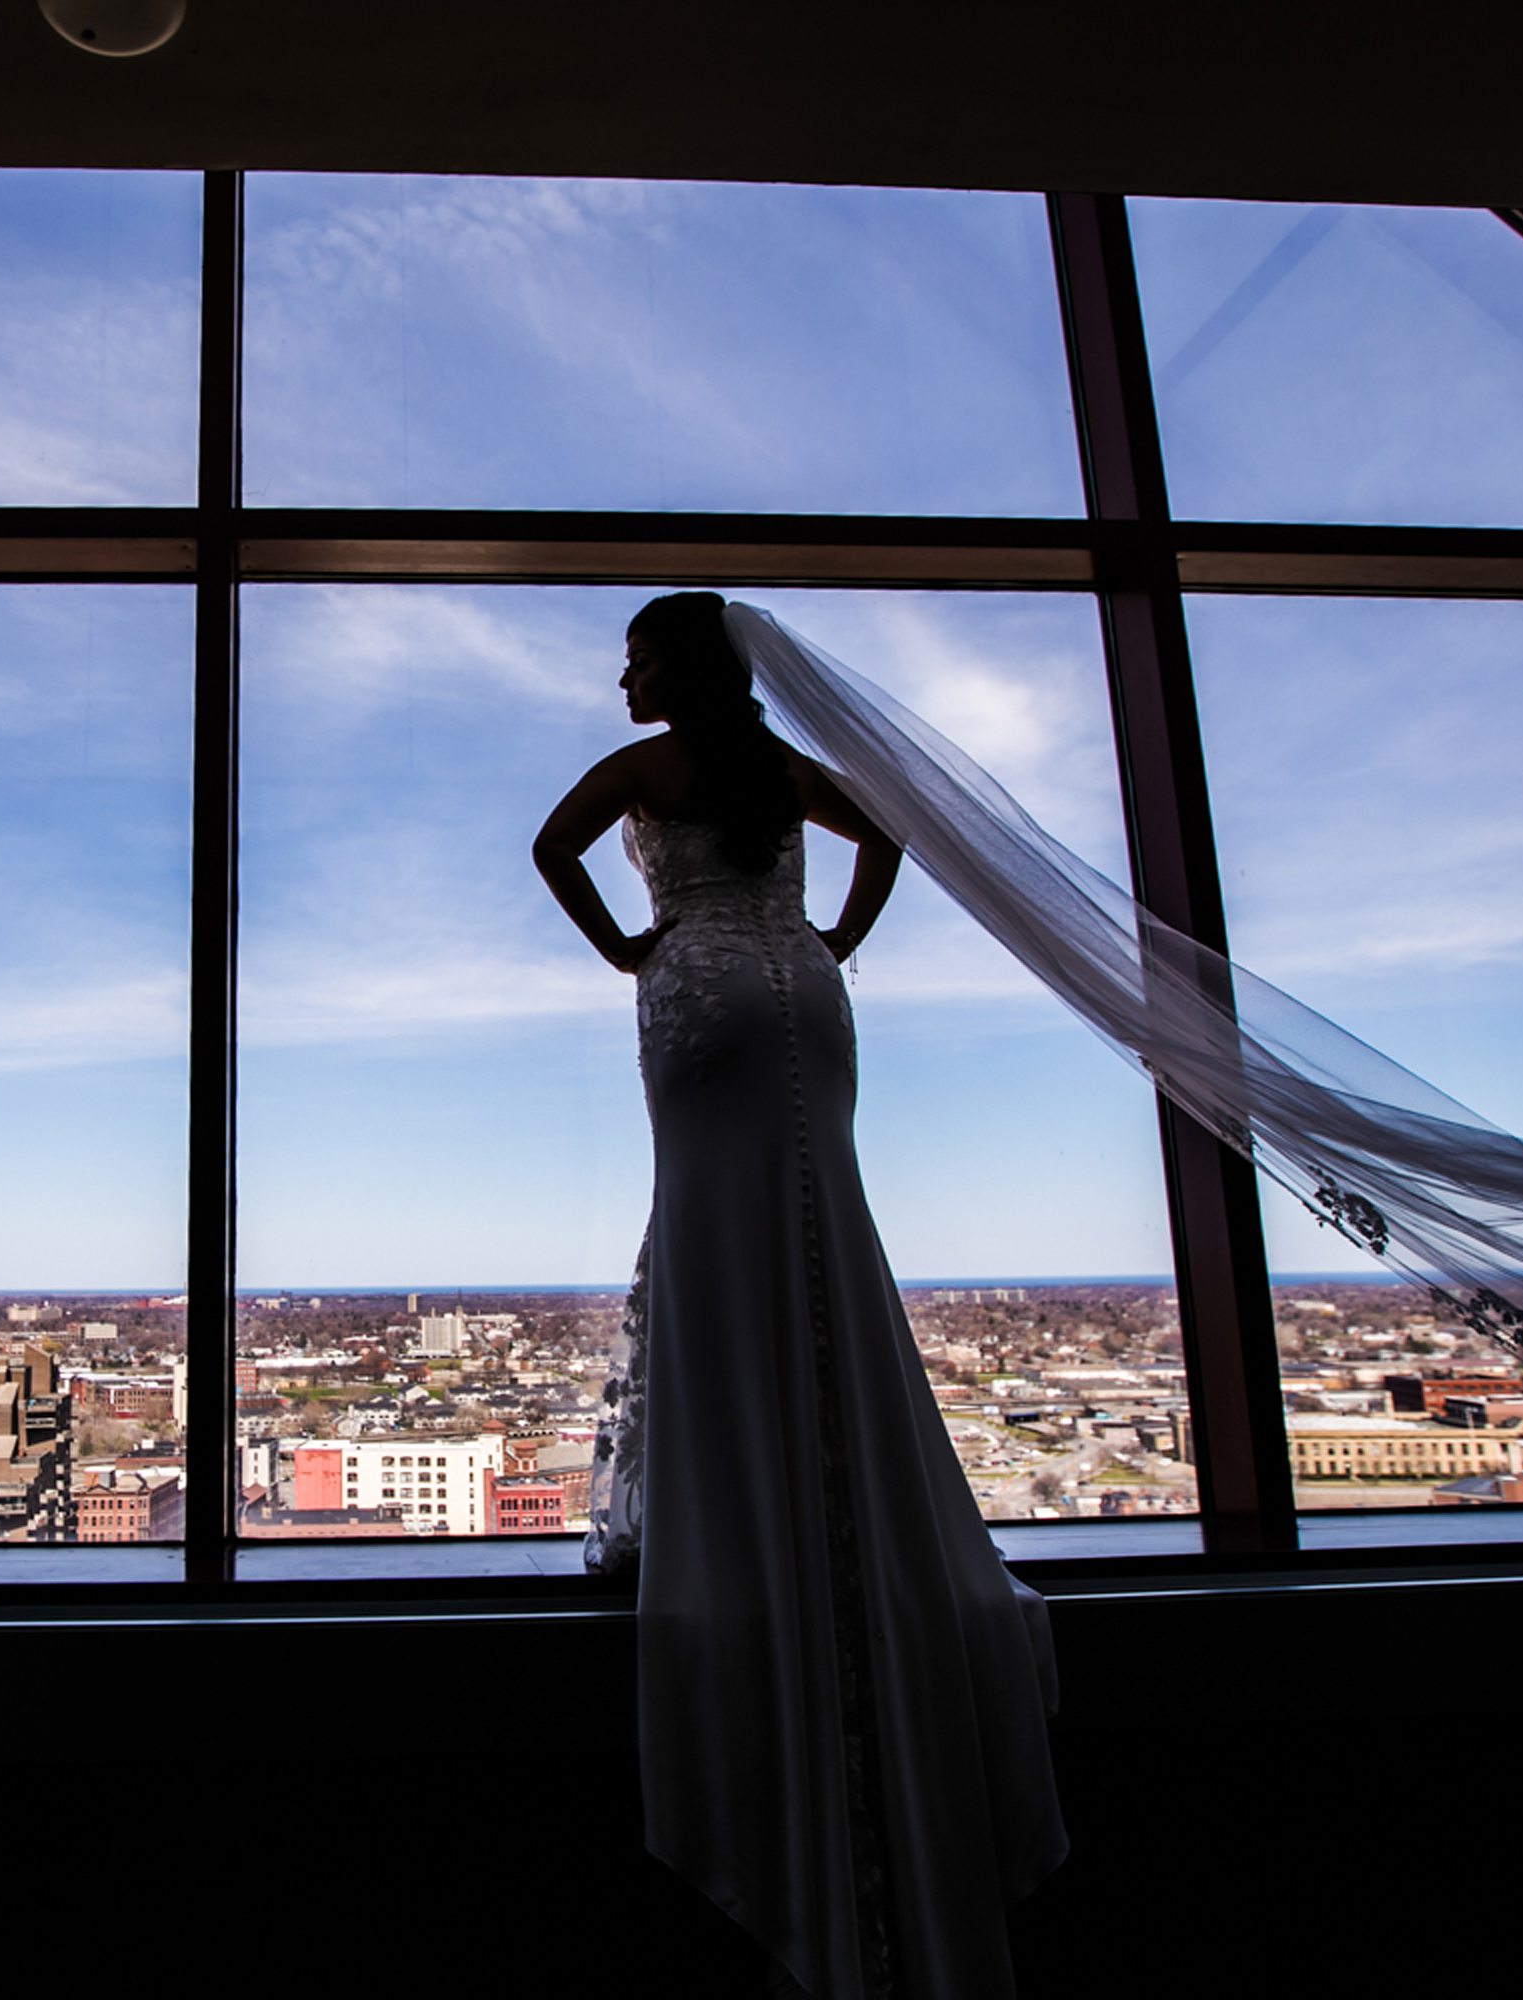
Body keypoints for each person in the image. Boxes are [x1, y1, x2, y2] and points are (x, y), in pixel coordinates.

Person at [532, 591, 1067, 1999]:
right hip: (803, 993)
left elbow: (549, 851)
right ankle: (841, 1503)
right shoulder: (790, 772)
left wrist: (628, 947)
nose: (623, 674)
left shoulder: (641, 775)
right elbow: (887, 836)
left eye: (637, 655)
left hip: (700, 987)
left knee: (708, 1218)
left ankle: (726, 1519)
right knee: (823, 1218)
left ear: (677, 667)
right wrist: (836, 941)